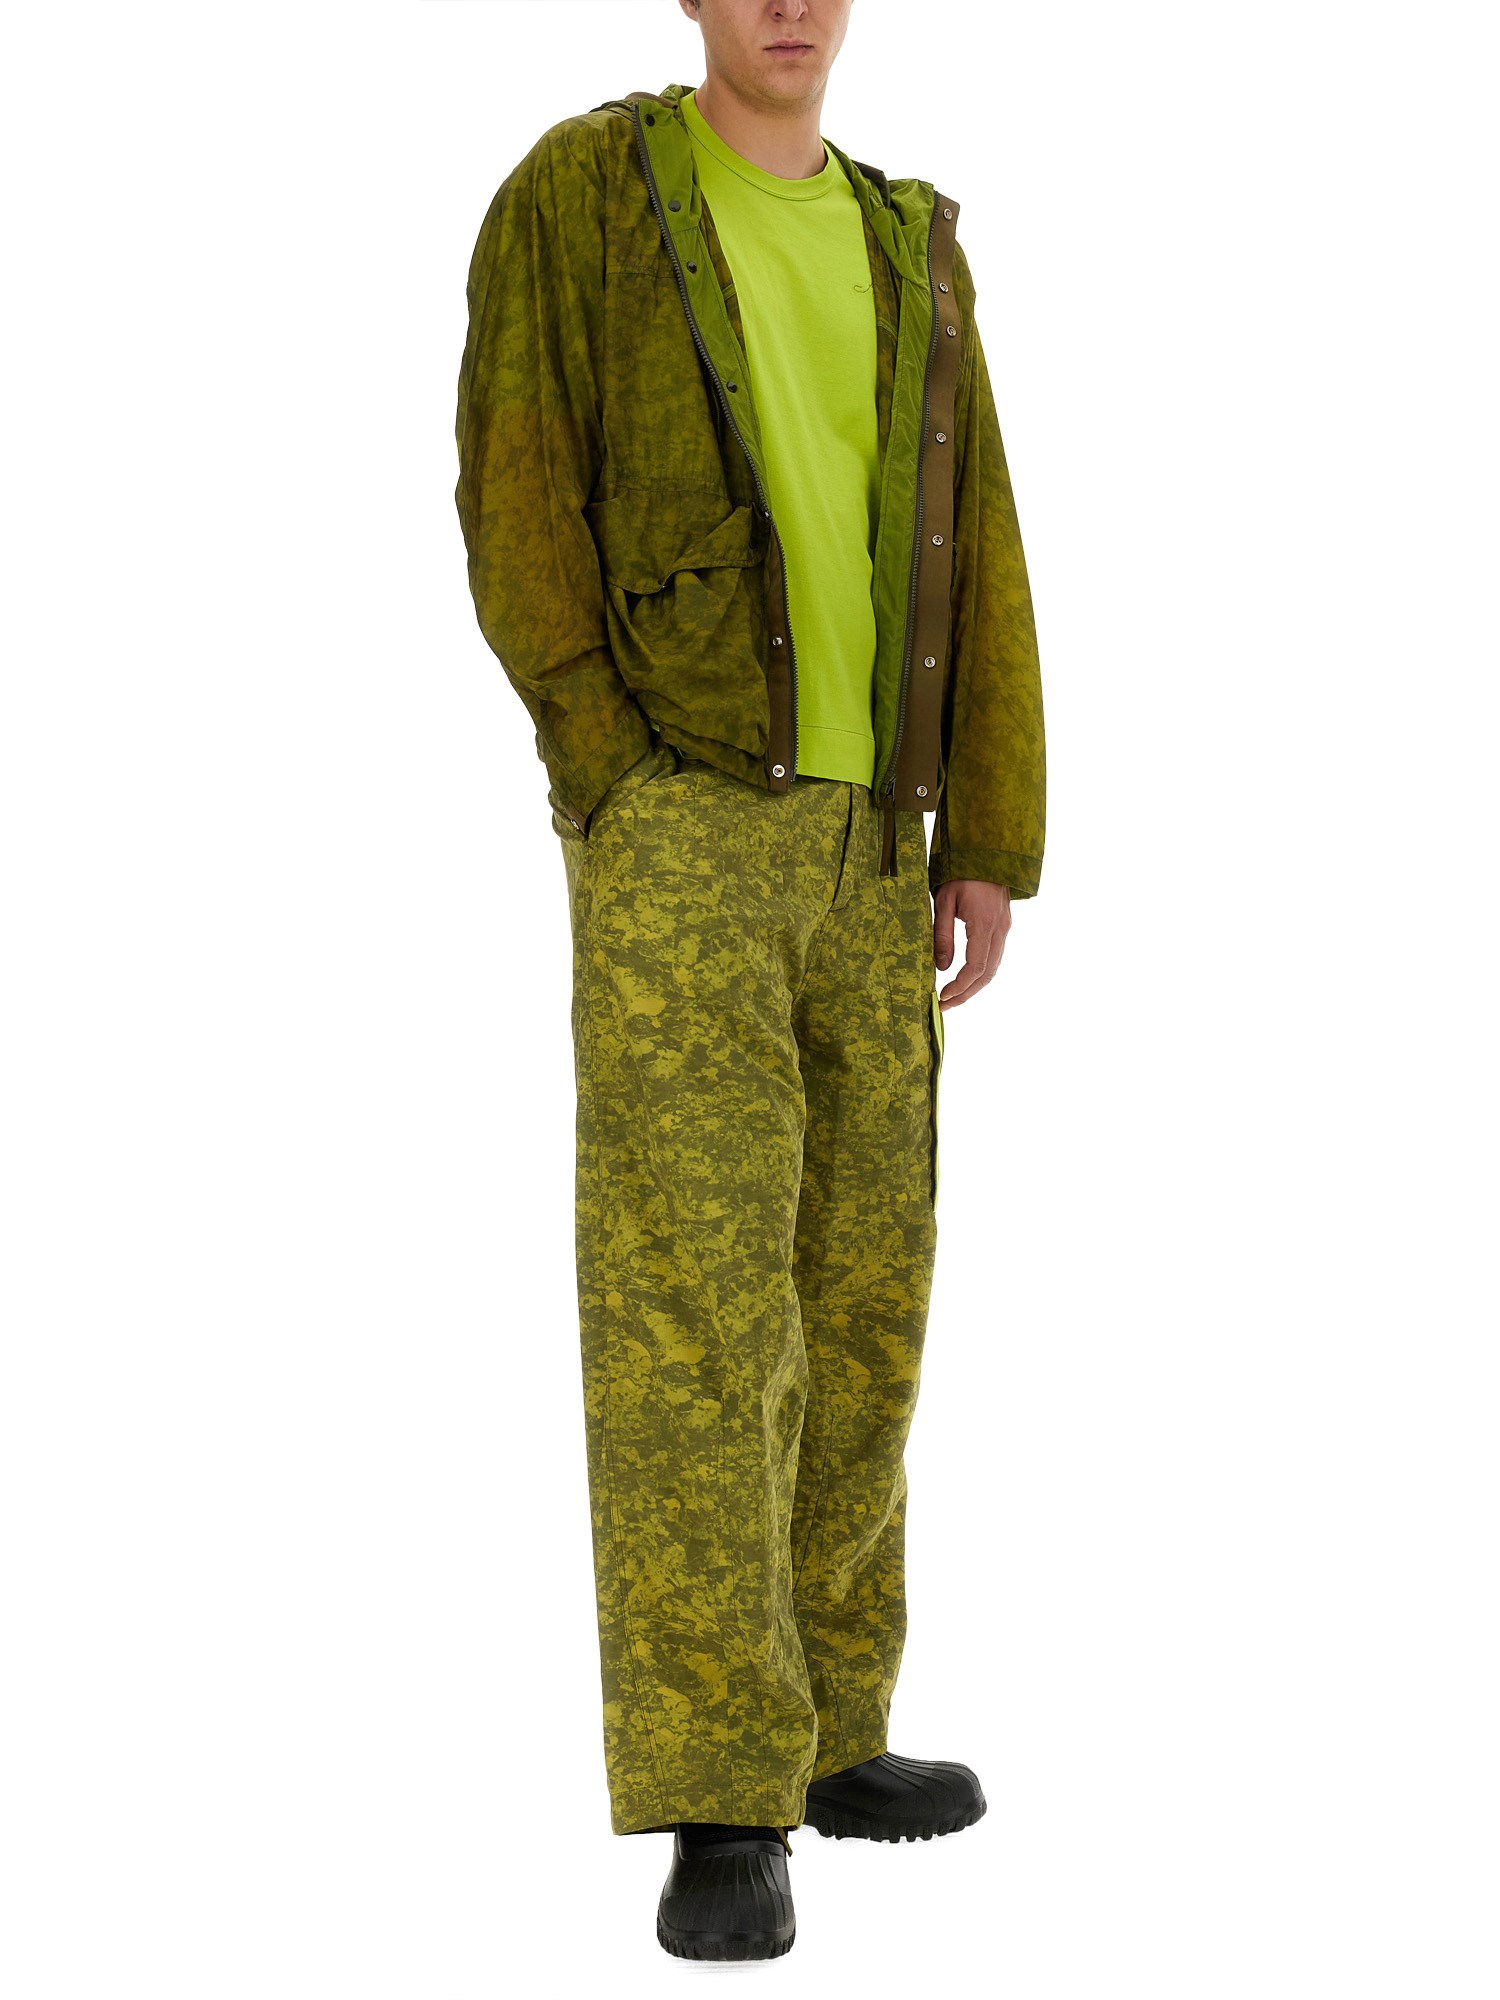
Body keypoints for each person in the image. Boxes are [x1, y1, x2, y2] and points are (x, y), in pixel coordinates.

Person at [454, 0, 1045, 1961]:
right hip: (687, 812)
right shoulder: (588, 193)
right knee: (694, 1304)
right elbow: (514, 479)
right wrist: (605, 767)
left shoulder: (910, 236)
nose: (788, 2)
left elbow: (982, 533)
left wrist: (985, 829)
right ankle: (719, 1789)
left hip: (880, 839)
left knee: (863, 1288)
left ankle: (830, 1724)